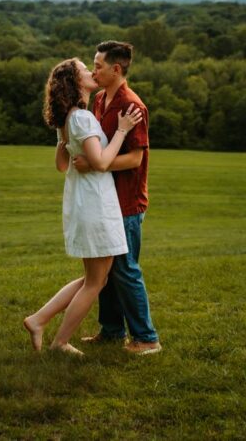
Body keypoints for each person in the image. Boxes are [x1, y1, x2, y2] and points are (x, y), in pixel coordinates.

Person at [23, 58, 142, 356]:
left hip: (82, 199)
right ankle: (60, 342)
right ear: (75, 83)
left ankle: (38, 320)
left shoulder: (68, 119)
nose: (91, 72)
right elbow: (101, 162)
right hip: (95, 203)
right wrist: (122, 131)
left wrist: (71, 147)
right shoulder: (83, 119)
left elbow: (62, 165)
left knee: (94, 277)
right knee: (96, 281)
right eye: (84, 70)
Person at [73, 40, 161, 355]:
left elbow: (135, 158)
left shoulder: (132, 105)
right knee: (105, 270)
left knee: (124, 269)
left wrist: (97, 164)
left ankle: (147, 339)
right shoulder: (99, 99)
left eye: (97, 65)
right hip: (106, 200)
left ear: (116, 69)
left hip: (126, 202)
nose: (93, 69)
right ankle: (111, 331)